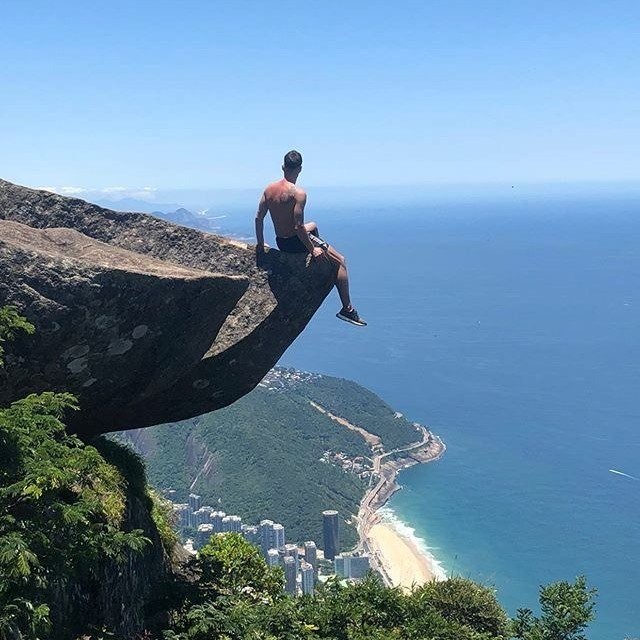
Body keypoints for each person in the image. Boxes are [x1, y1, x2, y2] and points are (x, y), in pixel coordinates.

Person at [255, 150, 366, 326]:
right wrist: (312, 249)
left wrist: (260, 244)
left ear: (283, 167)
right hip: (295, 241)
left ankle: (318, 250)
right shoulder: (298, 193)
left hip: (281, 241)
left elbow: (258, 218)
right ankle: (348, 309)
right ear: (299, 169)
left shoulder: (269, 190)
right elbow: (298, 227)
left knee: (312, 225)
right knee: (341, 261)